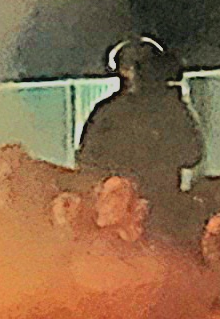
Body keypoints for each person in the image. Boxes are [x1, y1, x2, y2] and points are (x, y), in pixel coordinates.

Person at [74, 39, 203, 222]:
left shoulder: (171, 110)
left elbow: (193, 154)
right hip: (123, 215)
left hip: (163, 211)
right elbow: (89, 163)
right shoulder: (109, 113)